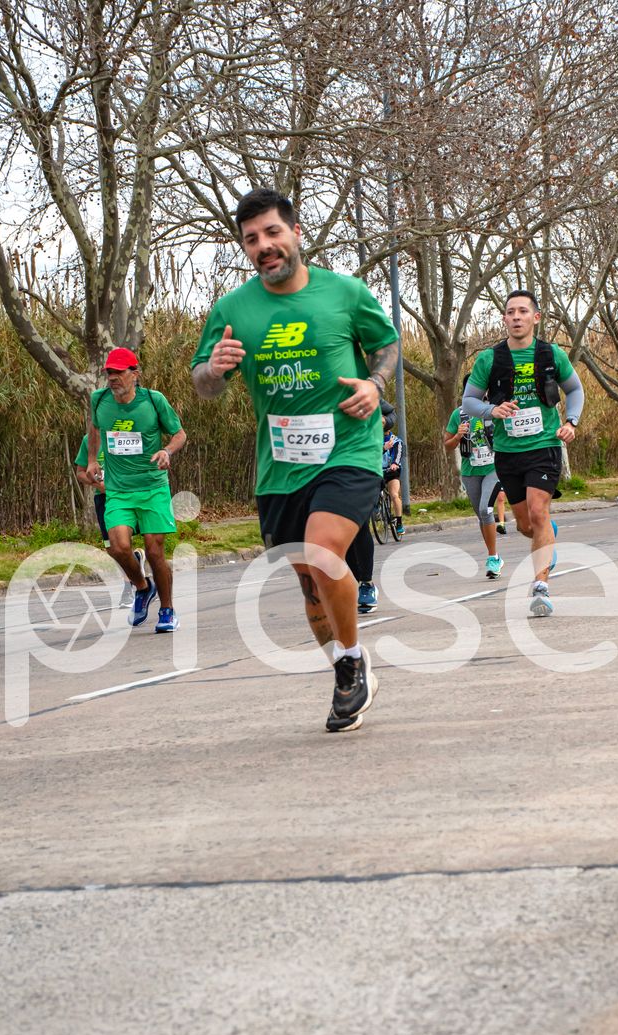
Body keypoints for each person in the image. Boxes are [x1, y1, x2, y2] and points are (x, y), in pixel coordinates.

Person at [191, 187, 399, 733]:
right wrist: (214, 369)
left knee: (322, 551)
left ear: (296, 233)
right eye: (251, 239)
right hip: (280, 464)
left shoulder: (345, 293)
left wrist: (375, 385)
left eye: (272, 232)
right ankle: (344, 670)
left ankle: (351, 660)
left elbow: (386, 345)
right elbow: (203, 384)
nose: (263, 245)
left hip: (348, 447)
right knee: (308, 579)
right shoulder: (232, 310)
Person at [461, 291, 584, 616]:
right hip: (507, 451)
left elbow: (574, 389)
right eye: (511, 312)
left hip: (544, 446)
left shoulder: (551, 354)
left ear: (536, 317)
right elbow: (469, 402)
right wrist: (491, 410)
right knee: (526, 526)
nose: (516, 317)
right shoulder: (489, 359)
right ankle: (547, 536)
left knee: (538, 511)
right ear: (504, 318)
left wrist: (571, 422)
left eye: (523, 311)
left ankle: (540, 586)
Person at [87, 347, 187, 632]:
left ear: (135, 374)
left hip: (152, 488)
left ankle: (167, 610)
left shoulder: (154, 400)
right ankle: (143, 587)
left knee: (155, 552)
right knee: (118, 548)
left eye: (119, 372)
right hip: (118, 490)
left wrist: (167, 451)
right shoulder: (99, 399)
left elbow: (179, 434)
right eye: (109, 372)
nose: (113, 377)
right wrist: (92, 459)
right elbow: (95, 429)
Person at [73, 434, 145, 608]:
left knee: (122, 543)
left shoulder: (128, 435)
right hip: (104, 499)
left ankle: (129, 588)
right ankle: (136, 562)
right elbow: (80, 473)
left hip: (128, 497)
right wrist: (98, 485)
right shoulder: (90, 440)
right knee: (113, 549)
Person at [443, 405, 504, 579]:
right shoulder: (459, 414)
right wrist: (458, 436)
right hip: (470, 472)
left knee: (486, 510)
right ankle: (495, 557)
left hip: (493, 469)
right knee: (482, 516)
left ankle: (492, 557)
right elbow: (447, 445)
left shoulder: (494, 410)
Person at [350, 400, 398, 614]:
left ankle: (366, 583)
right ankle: (359, 581)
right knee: (341, 535)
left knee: (358, 526)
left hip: (364, 466)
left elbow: (391, 413)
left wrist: (384, 421)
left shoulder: (359, 388)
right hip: (329, 466)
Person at [382, 417, 405, 535]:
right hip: (377, 471)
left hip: (391, 471)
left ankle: (399, 522)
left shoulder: (396, 440)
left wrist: (395, 464)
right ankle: (376, 510)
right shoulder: (372, 440)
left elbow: (398, 455)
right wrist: (383, 448)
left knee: (395, 495)